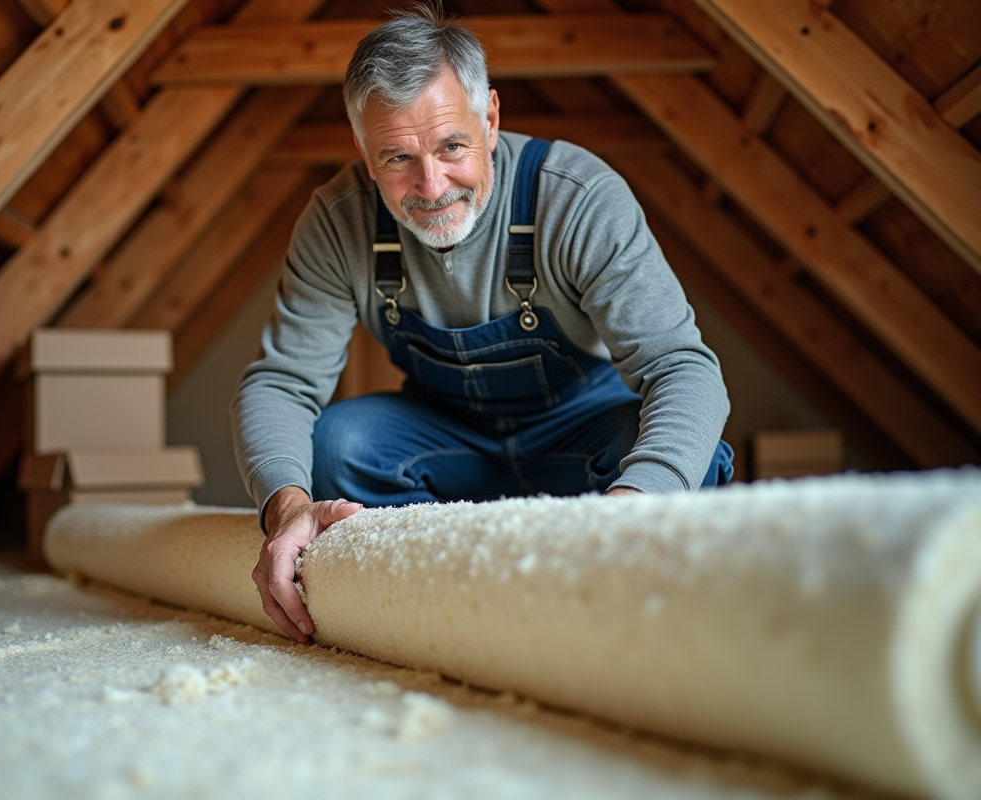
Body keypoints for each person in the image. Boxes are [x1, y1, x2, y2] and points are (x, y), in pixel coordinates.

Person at [232, 5, 734, 643]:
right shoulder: (338, 222)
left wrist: (632, 509)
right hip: (445, 448)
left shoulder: (577, 198)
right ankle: (441, 592)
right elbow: (281, 382)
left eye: (451, 147)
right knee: (338, 447)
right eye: (396, 159)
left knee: (688, 458)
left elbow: (681, 368)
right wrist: (287, 508)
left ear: (490, 119)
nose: (432, 184)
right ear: (363, 149)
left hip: (578, 437)